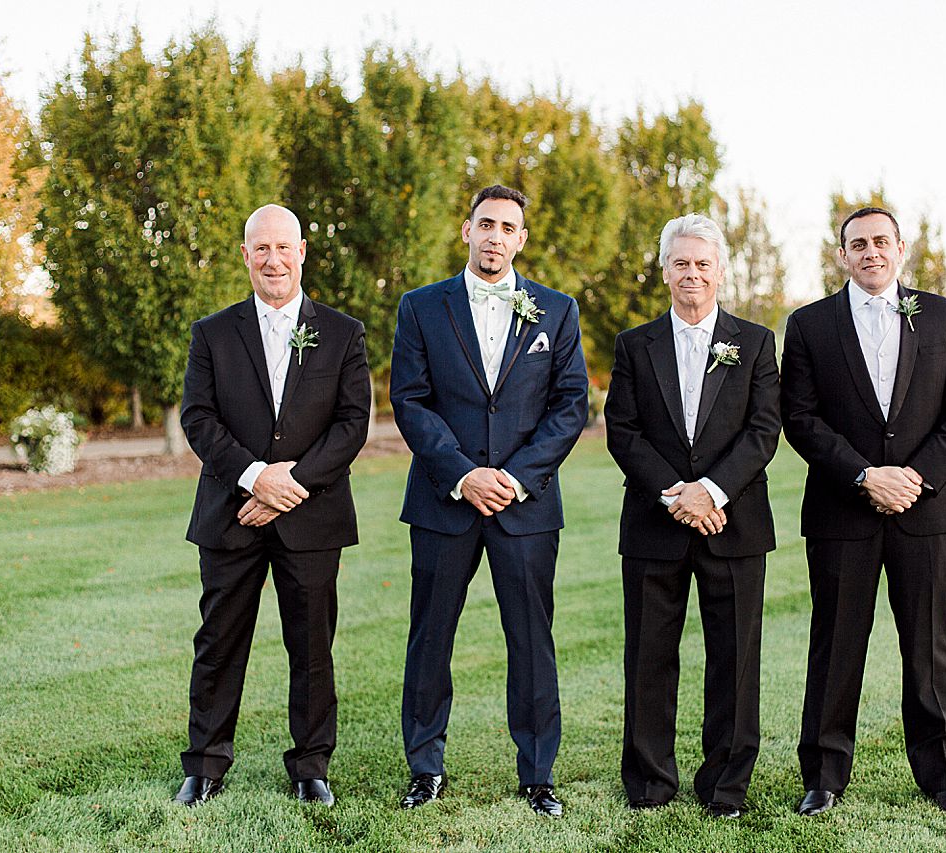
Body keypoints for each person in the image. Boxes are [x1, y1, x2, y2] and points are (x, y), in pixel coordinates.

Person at [389, 185, 589, 817]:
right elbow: (410, 399)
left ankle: (538, 775)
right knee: (431, 638)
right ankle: (425, 768)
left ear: (521, 239)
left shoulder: (556, 311)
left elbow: (570, 404)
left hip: (525, 506)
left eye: (508, 228)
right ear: (466, 230)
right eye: (486, 225)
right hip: (444, 502)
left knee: (532, 640)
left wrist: (517, 477)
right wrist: (462, 475)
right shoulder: (422, 307)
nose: (496, 236)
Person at [779, 207, 946, 818]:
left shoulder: (942, 315)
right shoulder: (810, 325)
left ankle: (943, 776)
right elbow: (801, 417)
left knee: (927, 647)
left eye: (881, 242)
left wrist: (914, 478)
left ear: (901, 248)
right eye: (857, 244)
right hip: (844, 511)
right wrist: (865, 475)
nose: (870, 252)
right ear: (841, 254)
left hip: (927, 510)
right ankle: (823, 776)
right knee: (836, 644)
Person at [174, 204, 371, 807]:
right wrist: (256, 477)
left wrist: (290, 486)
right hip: (231, 514)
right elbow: (198, 418)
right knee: (219, 642)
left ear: (302, 251)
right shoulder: (213, 332)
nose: (273, 259)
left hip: (311, 518)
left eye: (283, 247)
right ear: (245, 255)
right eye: (261, 248)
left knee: (312, 645)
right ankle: (205, 764)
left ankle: (311, 765)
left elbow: (351, 424)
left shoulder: (343, 333)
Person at [604, 213, 781, 819]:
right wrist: (675, 494)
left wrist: (710, 491)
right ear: (664, 271)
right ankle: (650, 780)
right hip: (656, 521)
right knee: (649, 655)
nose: (692, 273)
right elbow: (622, 433)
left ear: (722, 272)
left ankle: (726, 785)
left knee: (735, 658)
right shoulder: (634, 345)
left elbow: (763, 430)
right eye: (681, 263)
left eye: (703, 263)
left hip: (735, 523)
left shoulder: (756, 342)